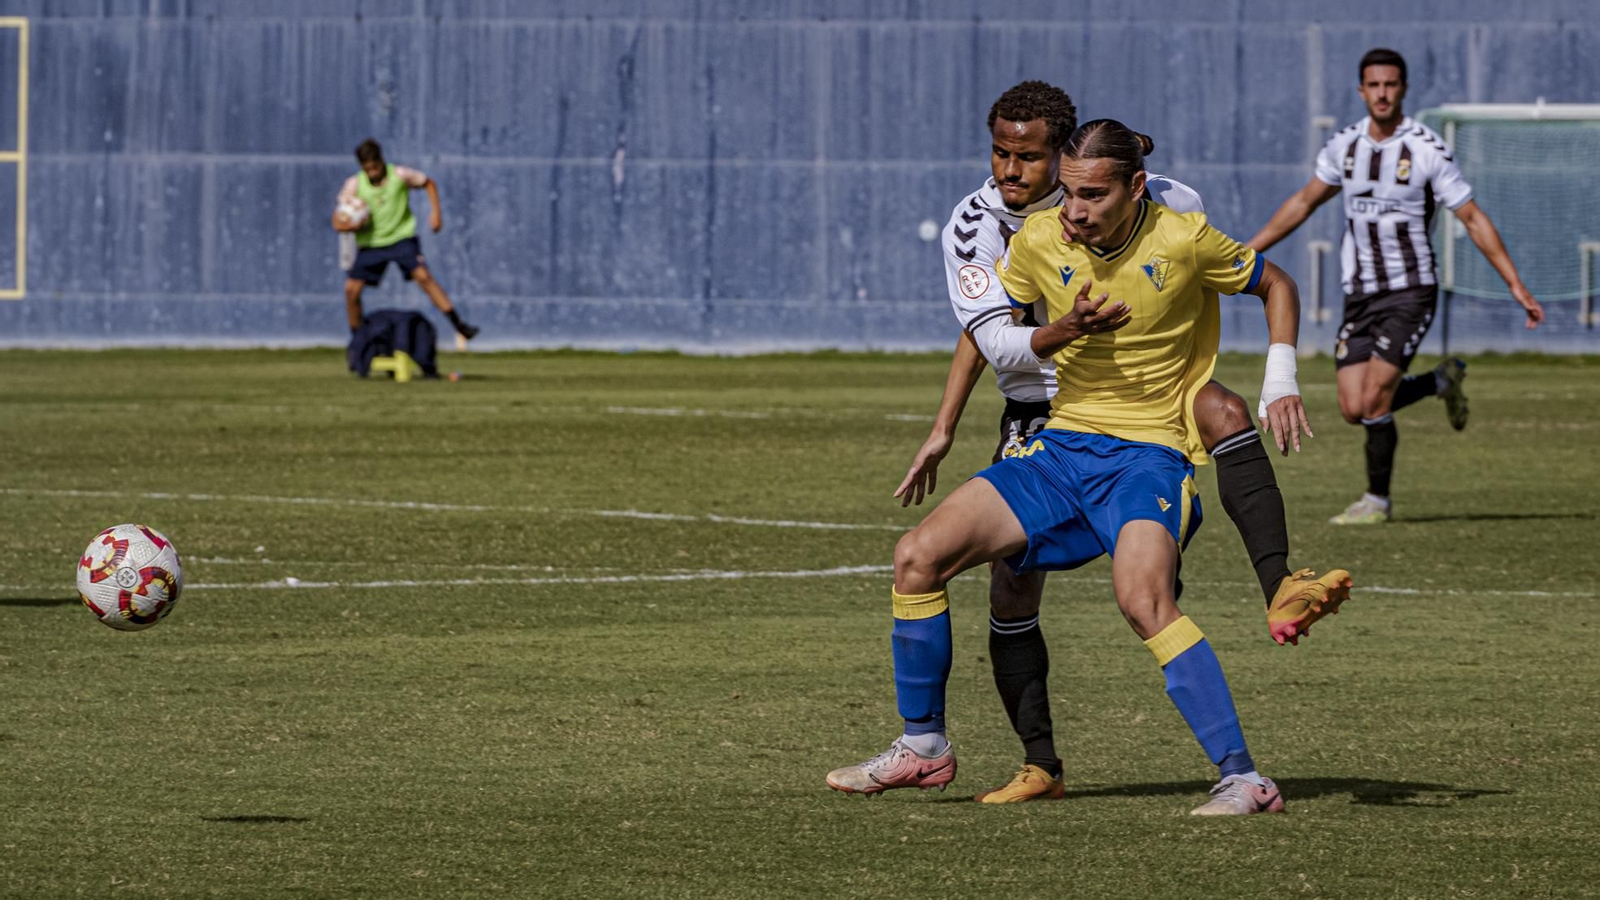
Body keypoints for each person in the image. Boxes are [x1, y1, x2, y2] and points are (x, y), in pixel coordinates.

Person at [827, 120, 1300, 816]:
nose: (1073, 211)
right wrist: (944, 426)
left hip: (1150, 459)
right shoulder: (1040, 239)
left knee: (1143, 600)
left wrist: (1280, 377)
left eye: (1092, 196)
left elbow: (1276, 282)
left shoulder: (1183, 237)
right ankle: (924, 746)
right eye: (1069, 194)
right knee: (916, 557)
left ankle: (1244, 780)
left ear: (1135, 188)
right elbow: (987, 330)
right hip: (1060, 449)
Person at [1248, 48, 1544, 524]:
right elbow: (1304, 202)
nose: (1383, 93)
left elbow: (1470, 215)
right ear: (1362, 90)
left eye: (1391, 85)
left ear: (1402, 89)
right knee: (1351, 407)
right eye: (1374, 85)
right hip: (1360, 292)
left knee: (1375, 399)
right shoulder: (1345, 146)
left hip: (1411, 289)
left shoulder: (1426, 148)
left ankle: (1377, 501)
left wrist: (1515, 283)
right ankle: (1440, 381)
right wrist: (1245, 254)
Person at [333, 139, 479, 341]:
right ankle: (357, 341)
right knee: (351, 290)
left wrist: (436, 213)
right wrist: (344, 226)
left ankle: (459, 325)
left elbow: (428, 183)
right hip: (371, 244)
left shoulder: (399, 175)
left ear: (381, 161)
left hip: (401, 238)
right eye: (368, 169)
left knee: (424, 277)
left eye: (375, 167)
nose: (373, 172)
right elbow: (339, 216)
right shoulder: (354, 184)